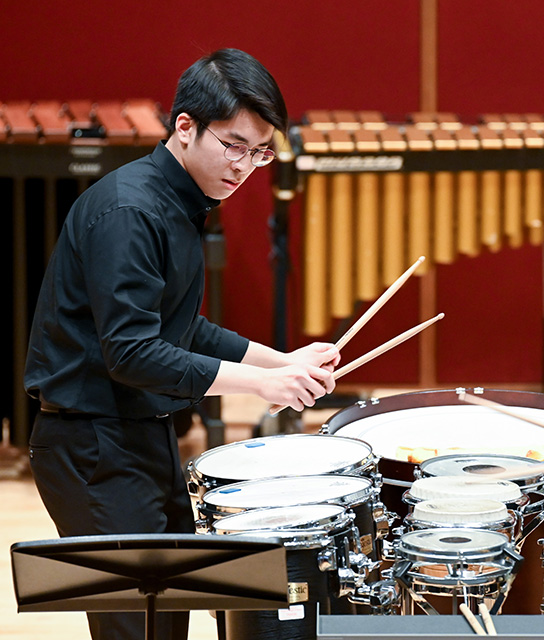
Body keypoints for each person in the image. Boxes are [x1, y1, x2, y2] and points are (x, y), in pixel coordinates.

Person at [24, 48, 338, 640]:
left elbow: (181, 328)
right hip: (92, 446)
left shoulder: (183, 201)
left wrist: (283, 360)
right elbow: (133, 352)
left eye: (261, 151)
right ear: (185, 126)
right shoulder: (129, 212)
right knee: (137, 629)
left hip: (140, 433)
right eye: (235, 145)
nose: (246, 165)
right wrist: (264, 385)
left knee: (166, 621)